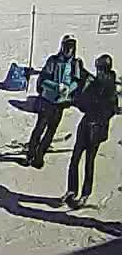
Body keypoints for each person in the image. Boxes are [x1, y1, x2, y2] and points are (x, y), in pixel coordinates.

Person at [65, 54, 118, 209]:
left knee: (89, 162)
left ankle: (85, 193)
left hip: (96, 128)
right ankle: (71, 189)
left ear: (105, 69)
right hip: (86, 124)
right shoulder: (96, 83)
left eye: (100, 69)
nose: (98, 72)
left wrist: (98, 113)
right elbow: (83, 102)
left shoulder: (110, 87)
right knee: (75, 158)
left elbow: (111, 109)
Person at [27, 36, 87, 168]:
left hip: (60, 103)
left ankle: (39, 156)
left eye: (71, 48)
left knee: (51, 131)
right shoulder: (53, 61)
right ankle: (30, 153)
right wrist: (56, 86)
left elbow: (77, 81)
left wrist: (69, 88)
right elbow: (43, 80)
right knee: (39, 128)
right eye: (66, 47)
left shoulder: (75, 63)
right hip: (47, 100)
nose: (68, 51)